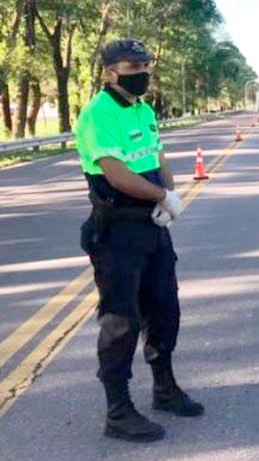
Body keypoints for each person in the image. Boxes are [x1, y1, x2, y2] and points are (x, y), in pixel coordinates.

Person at [75, 39, 204, 443]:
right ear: (111, 72)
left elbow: (157, 155)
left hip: (151, 227)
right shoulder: (99, 114)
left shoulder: (143, 110)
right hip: (118, 232)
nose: (142, 73)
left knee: (164, 308)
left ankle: (165, 388)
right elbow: (116, 175)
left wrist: (170, 192)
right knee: (121, 319)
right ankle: (118, 411)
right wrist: (162, 197)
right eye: (133, 66)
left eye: (146, 64)